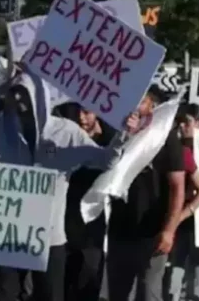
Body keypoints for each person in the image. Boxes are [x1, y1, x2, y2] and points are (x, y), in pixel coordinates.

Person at [0, 70, 131, 301]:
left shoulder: (65, 132)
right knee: (5, 294)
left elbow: (107, 160)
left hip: (50, 238)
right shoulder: (1, 127)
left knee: (50, 296)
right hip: (7, 233)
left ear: (39, 97)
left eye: (24, 94)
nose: (18, 101)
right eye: (14, 94)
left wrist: (123, 132)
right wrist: (5, 78)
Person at [107, 88, 186, 301]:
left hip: (153, 233)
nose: (135, 107)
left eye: (141, 102)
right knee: (117, 293)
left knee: (149, 293)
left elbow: (178, 187)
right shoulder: (117, 133)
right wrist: (123, 137)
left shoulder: (164, 137)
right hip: (119, 230)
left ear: (152, 106)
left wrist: (169, 230)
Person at [60, 103, 114, 301]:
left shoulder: (110, 140)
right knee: (65, 282)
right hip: (66, 219)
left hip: (94, 223)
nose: (82, 118)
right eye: (78, 112)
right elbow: (48, 154)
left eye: (87, 112)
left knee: (89, 280)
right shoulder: (66, 134)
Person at [167, 103, 199, 301]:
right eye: (179, 123)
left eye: (186, 122)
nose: (181, 127)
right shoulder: (177, 150)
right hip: (182, 219)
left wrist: (182, 213)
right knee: (175, 269)